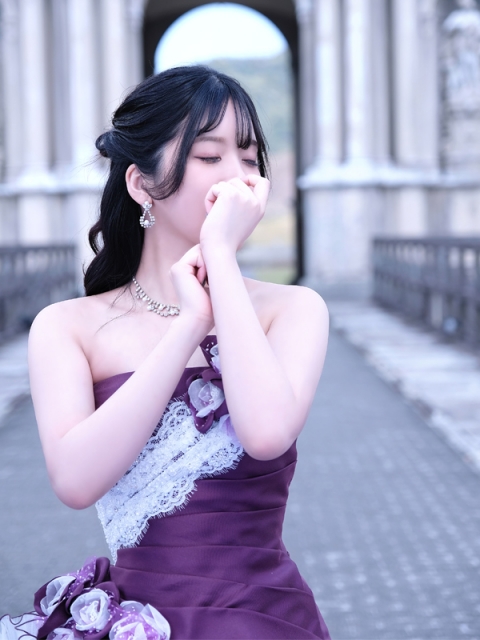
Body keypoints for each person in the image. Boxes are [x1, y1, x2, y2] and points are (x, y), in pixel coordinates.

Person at [1, 66, 330, 640]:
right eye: (211, 156)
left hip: (265, 620)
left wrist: (219, 257)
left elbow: (266, 432)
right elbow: (75, 481)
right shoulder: (67, 327)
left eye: (250, 158)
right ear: (141, 185)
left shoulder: (294, 309)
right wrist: (189, 327)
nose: (239, 178)